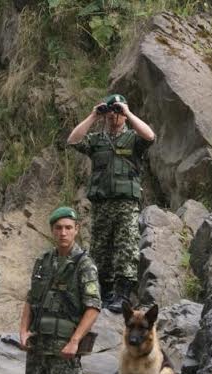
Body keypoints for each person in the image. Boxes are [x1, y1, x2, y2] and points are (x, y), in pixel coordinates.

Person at [10, 207, 101, 374]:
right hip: (38, 349)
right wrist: (23, 330)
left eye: (68, 228)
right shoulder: (43, 261)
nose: (63, 232)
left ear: (76, 230)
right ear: (52, 230)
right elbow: (30, 299)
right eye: (58, 228)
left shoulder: (84, 264)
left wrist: (75, 341)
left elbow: (93, 307)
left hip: (64, 351)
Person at [67, 93, 155, 313]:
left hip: (126, 204)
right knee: (100, 249)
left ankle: (122, 294)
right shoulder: (97, 140)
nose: (114, 116)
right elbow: (73, 140)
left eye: (118, 112)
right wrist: (93, 116)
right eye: (111, 112)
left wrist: (127, 112)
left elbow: (150, 136)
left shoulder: (133, 138)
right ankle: (104, 293)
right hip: (102, 204)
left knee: (126, 247)